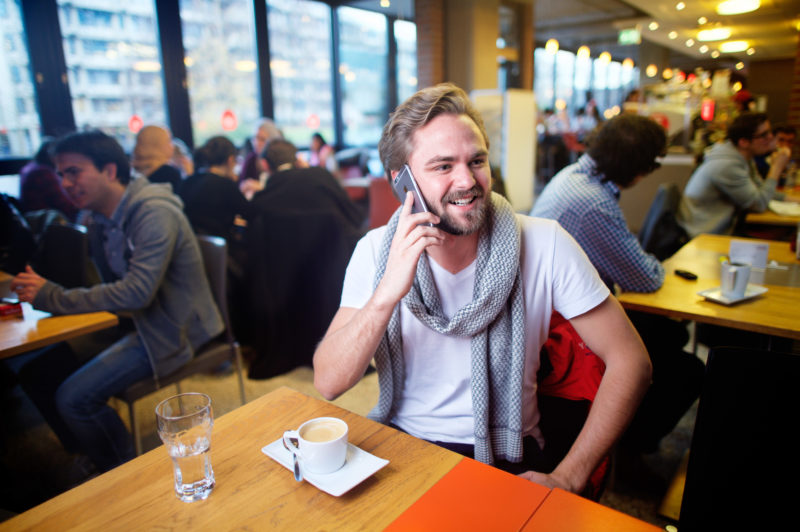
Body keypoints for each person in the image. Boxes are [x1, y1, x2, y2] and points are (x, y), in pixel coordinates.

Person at [312, 83, 651, 494]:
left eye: (476, 161)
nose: (466, 181)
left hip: (507, 455)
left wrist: (570, 475)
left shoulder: (546, 242)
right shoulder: (374, 253)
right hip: (403, 447)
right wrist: (387, 292)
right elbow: (329, 382)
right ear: (402, 182)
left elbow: (631, 361)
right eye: (442, 166)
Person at [10, 130, 223, 473]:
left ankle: (123, 473)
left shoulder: (153, 212)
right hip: (134, 322)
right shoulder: (97, 217)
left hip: (173, 329)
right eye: (60, 173)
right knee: (38, 364)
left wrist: (54, 296)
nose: (65, 183)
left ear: (110, 171)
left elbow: (137, 292)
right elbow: (110, 287)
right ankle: (91, 450)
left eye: (74, 172)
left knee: (74, 399)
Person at [531, 114, 705, 489]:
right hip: (562, 329)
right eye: (651, 164)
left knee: (670, 337)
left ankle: (624, 438)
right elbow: (645, 278)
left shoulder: (577, 178)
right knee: (687, 369)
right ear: (637, 167)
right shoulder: (591, 202)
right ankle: (629, 449)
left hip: (565, 310)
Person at [244, 138, 364, 379]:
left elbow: (252, 238)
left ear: (265, 166)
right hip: (330, 270)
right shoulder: (321, 177)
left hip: (285, 282)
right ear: (298, 159)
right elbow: (353, 215)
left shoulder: (265, 195)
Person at [677, 112, 789, 237]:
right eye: (764, 135)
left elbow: (762, 191)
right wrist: (776, 169)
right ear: (744, 142)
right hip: (705, 234)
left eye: (770, 132)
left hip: (722, 229)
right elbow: (759, 204)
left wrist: (795, 200)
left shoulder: (743, 158)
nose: (770, 138)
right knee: (781, 239)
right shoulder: (728, 165)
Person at [178, 135, 250, 240]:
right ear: (230, 160)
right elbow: (249, 213)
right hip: (222, 248)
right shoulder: (225, 185)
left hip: (192, 245)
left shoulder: (188, 181)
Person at [19, 137, 79, 221]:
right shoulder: (42, 172)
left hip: (34, 218)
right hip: (46, 221)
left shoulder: (30, 167)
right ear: (51, 155)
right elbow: (63, 203)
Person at [131, 125, 182, 192]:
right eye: (169, 141)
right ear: (157, 145)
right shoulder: (168, 173)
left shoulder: (133, 173)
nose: (173, 146)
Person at [238, 118, 282, 184]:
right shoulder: (251, 158)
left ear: (272, 141)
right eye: (256, 138)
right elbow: (242, 184)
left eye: (262, 139)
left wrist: (260, 187)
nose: (257, 143)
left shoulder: (278, 159)